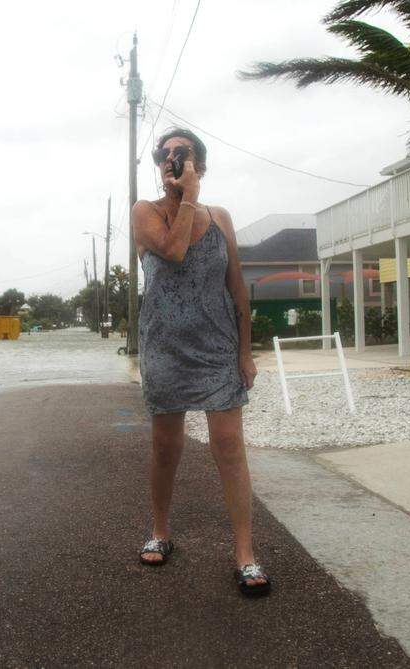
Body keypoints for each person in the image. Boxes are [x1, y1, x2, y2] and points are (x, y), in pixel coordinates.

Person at [132, 128, 270, 596]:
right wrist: (188, 198)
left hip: (216, 348)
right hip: (165, 348)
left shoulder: (222, 218)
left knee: (229, 446)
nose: (171, 160)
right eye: (164, 154)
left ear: (201, 164)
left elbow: (236, 287)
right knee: (166, 448)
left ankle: (245, 553)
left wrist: (245, 351)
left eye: (182, 153)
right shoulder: (145, 213)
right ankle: (161, 530)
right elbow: (172, 250)